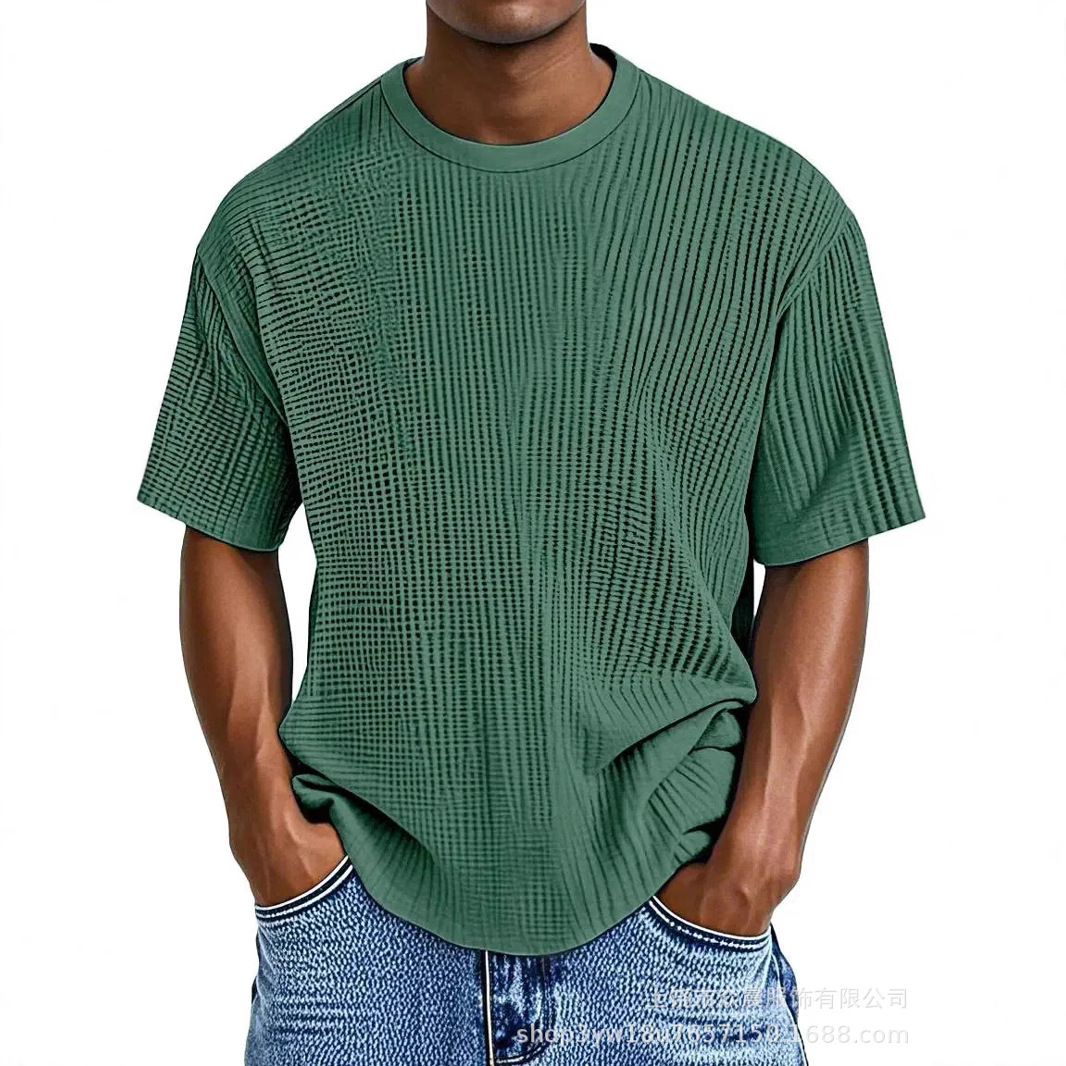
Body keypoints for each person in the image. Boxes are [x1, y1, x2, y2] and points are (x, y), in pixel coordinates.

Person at [136, 2, 925, 1063]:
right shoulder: (274, 224)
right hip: (356, 955)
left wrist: (762, 850)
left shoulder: (774, 214)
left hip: (677, 944)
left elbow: (821, 537)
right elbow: (227, 529)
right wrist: (265, 832)